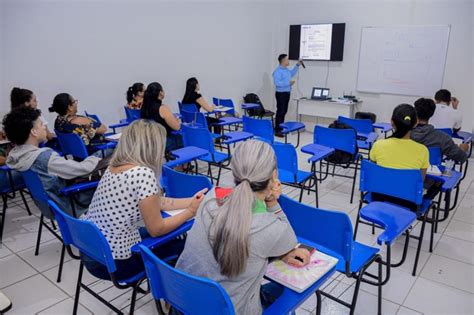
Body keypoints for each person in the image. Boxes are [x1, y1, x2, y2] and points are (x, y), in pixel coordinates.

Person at [176, 140, 311, 314]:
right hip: (231, 309)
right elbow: (289, 241)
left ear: (235, 171)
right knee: (283, 290)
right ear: (274, 175)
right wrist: (272, 200)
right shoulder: (271, 229)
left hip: (184, 301)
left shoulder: (210, 197)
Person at [80, 119, 207, 280]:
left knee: (174, 235)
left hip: (92, 251)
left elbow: (156, 201)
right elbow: (157, 229)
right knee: (183, 247)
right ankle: (176, 299)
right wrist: (190, 211)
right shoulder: (142, 174)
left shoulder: (114, 167)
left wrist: (192, 201)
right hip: (114, 263)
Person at [4, 107, 101, 216]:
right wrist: (97, 158)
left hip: (46, 206)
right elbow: (83, 169)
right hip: (66, 205)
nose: (45, 128)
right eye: (41, 124)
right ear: (33, 132)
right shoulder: (43, 158)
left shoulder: (18, 155)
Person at [370, 104, 440, 211]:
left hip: (378, 198)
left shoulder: (378, 145)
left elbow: (373, 173)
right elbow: (420, 180)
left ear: (392, 122)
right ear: (416, 123)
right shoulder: (422, 150)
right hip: (408, 203)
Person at [412, 98, 468, 164]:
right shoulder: (442, 138)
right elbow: (461, 157)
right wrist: (462, 149)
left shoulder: (404, 134)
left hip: (404, 170)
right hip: (431, 172)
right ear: (432, 114)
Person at [140, 82, 182, 152]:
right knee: (183, 137)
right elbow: (177, 127)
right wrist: (177, 120)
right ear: (160, 93)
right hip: (165, 142)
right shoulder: (162, 108)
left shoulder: (144, 108)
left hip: (151, 142)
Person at [272, 54, 302, 137]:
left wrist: (298, 65)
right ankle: (277, 130)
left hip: (287, 93)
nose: (288, 61)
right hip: (280, 94)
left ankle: (281, 128)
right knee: (280, 112)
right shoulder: (277, 71)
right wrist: (288, 83)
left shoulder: (286, 70)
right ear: (283, 61)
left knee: (284, 111)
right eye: (287, 59)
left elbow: (292, 73)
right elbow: (277, 83)